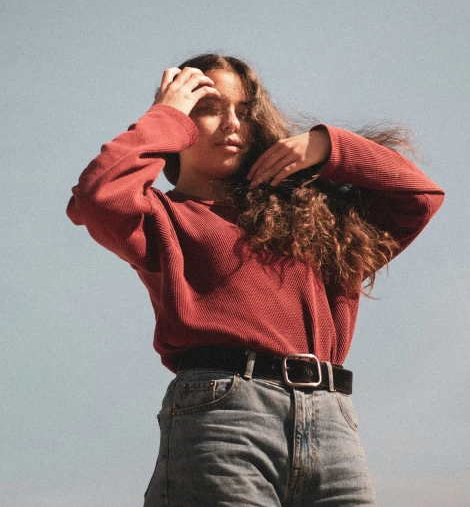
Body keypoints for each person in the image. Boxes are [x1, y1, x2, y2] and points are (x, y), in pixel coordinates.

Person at [67, 53, 444, 507]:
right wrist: (164, 116)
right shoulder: (163, 218)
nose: (232, 124)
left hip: (334, 424)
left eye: (244, 111)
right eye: (209, 107)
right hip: (223, 419)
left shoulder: (312, 221)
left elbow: (419, 196)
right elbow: (97, 197)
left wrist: (328, 148)